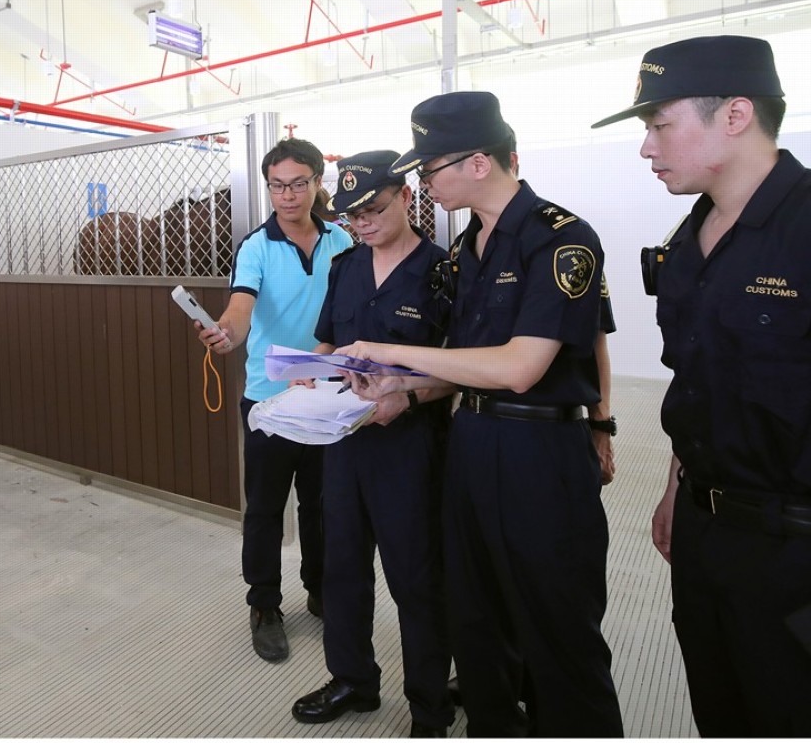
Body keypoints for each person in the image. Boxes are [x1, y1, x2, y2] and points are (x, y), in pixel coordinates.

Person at [336, 92, 623, 737]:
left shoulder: (562, 239)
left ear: (477, 162)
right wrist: (402, 388)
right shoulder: (468, 251)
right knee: (476, 616)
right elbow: (460, 362)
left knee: (556, 625)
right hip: (469, 443)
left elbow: (522, 366)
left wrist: (388, 349)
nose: (424, 182)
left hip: (538, 451)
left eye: (429, 168)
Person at [592, 35, 811, 735]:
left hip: (796, 551)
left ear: (736, 115)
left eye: (660, 124)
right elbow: (699, 387)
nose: (647, 148)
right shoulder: (688, 245)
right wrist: (675, 490)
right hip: (707, 534)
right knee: (720, 709)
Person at [287, 151, 454, 736]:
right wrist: (312, 369)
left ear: (407, 196)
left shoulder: (442, 271)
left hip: (409, 447)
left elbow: (456, 370)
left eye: (373, 210)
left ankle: (430, 704)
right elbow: (333, 344)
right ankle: (353, 680)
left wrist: (405, 395)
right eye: (352, 216)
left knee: (416, 577)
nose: (362, 224)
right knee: (343, 567)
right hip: (345, 441)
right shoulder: (347, 266)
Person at [195, 138, 353, 662]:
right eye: (277, 186)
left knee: (322, 505)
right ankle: (264, 603)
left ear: (316, 184)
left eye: (298, 184)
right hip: (269, 400)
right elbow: (241, 306)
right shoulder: (255, 246)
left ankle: (319, 588)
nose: (287, 195)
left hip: (326, 394)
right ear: (268, 188)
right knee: (264, 508)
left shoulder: (343, 241)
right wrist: (226, 333)